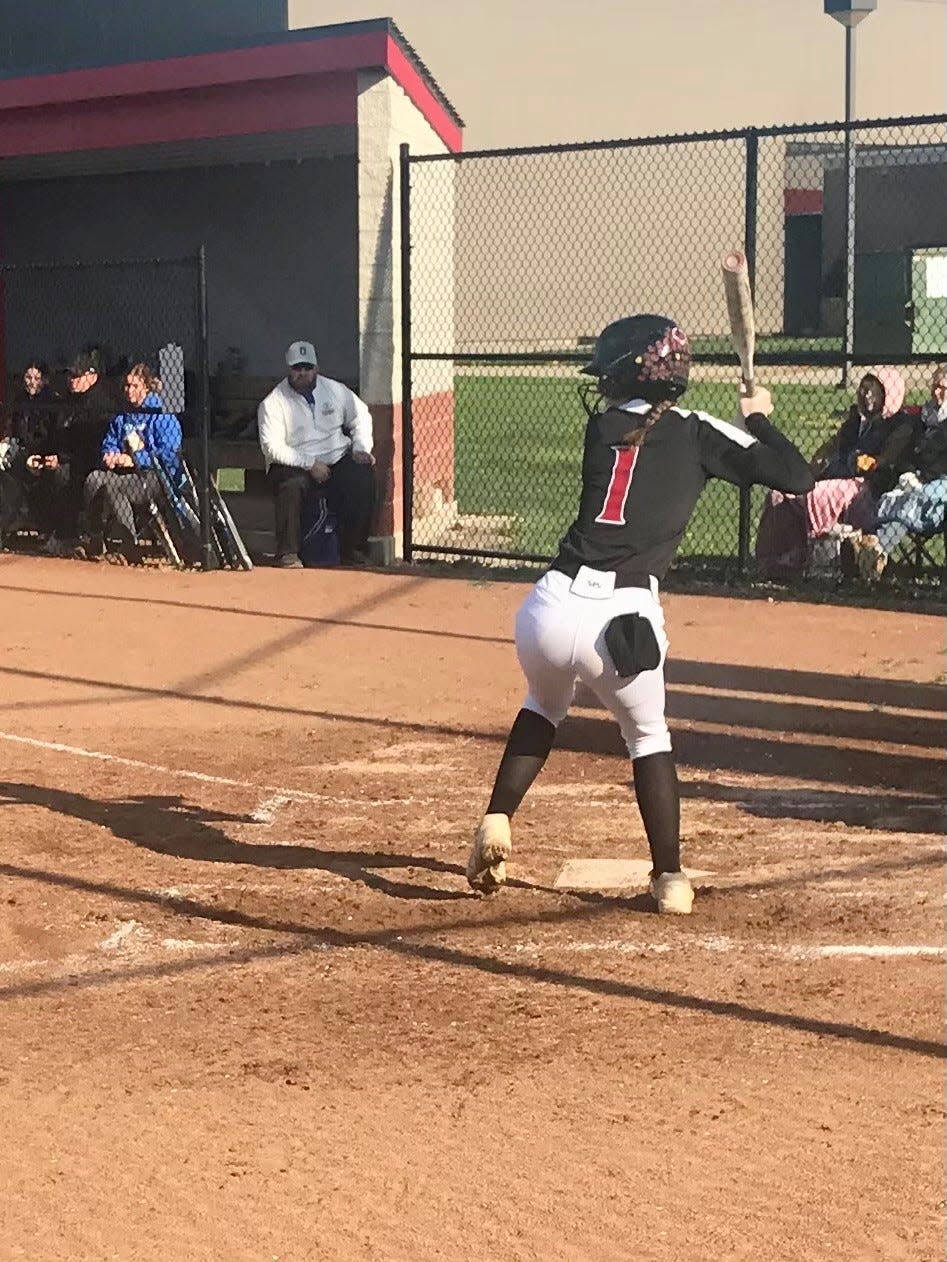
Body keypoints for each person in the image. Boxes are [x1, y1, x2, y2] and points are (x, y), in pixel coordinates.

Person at [467, 315, 814, 915]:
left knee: (543, 705)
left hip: (548, 608)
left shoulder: (602, 427)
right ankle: (670, 878)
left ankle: (497, 817)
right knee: (648, 737)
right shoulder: (695, 431)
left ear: (632, 371)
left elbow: (648, 438)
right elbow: (797, 477)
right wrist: (757, 415)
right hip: (623, 622)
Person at [755, 367, 915, 577]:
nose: (865, 395)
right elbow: (827, 451)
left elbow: (884, 462)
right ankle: (776, 560)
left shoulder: (899, 426)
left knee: (817, 495)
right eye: (863, 389)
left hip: (866, 487)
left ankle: (817, 561)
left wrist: (868, 461)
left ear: (888, 396)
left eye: (873, 391)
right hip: (836, 476)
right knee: (778, 495)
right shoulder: (853, 422)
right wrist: (810, 470)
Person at [257, 340, 376, 568]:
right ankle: (288, 553)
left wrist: (361, 447)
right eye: (297, 368)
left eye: (307, 367)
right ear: (289, 369)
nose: (303, 373)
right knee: (291, 485)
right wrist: (310, 464)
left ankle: (353, 549)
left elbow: (361, 416)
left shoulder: (335, 390)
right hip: (296, 463)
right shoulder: (273, 402)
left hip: (335, 457)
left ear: (316, 368)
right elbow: (271, 447)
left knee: (361, 477)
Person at [75, 363, 182, 565]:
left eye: (134, 386)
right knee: (94, 479)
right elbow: (110, 440)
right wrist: (110, 454)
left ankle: (129, 546)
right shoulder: (124, 415)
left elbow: (169, 454)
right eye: (126, 386)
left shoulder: (162, 414)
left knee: (115, 487)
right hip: (125, 473)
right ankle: (95, 540)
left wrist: (135, 459)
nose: (128, 390)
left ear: (146, 387)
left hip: (155, 476)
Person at [845, 365, 947, 576]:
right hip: (916, 477)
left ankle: (877, 550)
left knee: (917, 498)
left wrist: (926, 476)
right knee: (897, 497)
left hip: (940, 481)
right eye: (935, 387)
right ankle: (872, 552)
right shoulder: (920, 418)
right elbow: (909, 453)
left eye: (943, 388)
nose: (937, 393)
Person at [52, 351, 117, 547]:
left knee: (64, 474)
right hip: (74, 458)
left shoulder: (100, 402)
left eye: (77, 376)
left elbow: (90, 443)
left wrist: (64, 458)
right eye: (70, 376)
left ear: (92, 376)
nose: (72, 380)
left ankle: (69, 536)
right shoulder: (71, 400)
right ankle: (62, 534)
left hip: (93, 461)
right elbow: (62, 435)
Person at [0, 362, 62, 546]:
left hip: (45, 454)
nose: (32, 383)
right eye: (28, 378)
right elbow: (12, 431)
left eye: (37, 378)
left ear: (44, 380)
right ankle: (7, 528)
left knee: (50, 477)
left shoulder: (52, 402)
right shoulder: (19, 400)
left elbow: (51, 436)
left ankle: (47, 529)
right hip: (22, 454)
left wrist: (40, 457)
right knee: (7, 476)